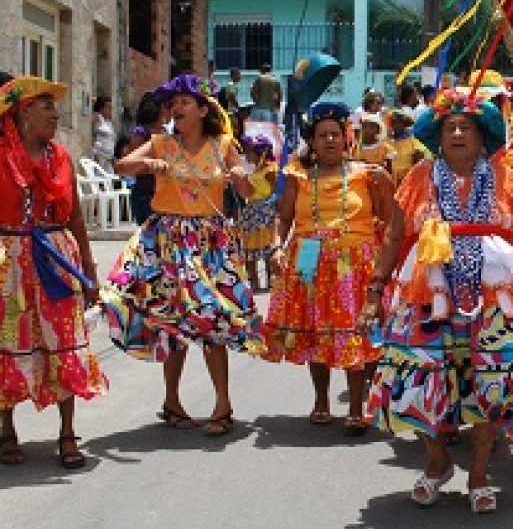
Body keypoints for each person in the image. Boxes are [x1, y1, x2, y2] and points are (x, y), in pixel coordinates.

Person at [358, 88, 513, 514]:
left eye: (466, 126)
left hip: (496, 294)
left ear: (482, 134)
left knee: (494, 378)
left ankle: (478, 471)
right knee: (412, 374)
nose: (456, 132)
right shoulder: (417, 177)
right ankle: (438, 462)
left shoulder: (506, 178)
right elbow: (395, 237)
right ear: (437, 135)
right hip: (427, 291)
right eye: (449, 126)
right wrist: (375, 291)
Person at [105, 74, 264, 437]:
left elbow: (249, 188)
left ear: (203, 109)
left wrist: (240, 175)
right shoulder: (160, 142)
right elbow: (122, 166)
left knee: (213, 320)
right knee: (172, 321)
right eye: (173, 103)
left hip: (210, 242)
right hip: (167, 240)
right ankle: (172, 402)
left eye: (184, 102)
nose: (176, 108)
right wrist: (148, 165)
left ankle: (223, 402)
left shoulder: (223, 144)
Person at [265, 102, 394, 434]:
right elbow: (283, 217)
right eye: (322, 135)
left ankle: (356, 406)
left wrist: (388, 184)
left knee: (356, 334)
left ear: (346, 138)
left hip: (356, 265)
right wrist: (277, 246)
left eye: (335, 134)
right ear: (312, 141)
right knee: (318, 333)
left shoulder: (367, 174)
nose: (330, 141)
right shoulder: (298, 175)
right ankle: (321, 400)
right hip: (311, 264)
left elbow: (388, 217)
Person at [0, 76, 106, 468]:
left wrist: (90, 271)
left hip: (56, 259)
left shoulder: (60, 157)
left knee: (65, 341)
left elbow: (76, 216)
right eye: (46, 106)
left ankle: (67, 433)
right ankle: (7, 430)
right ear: (22, 113)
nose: (55, 113)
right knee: (9, 341)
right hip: (9, 261)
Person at [236, 133, 278, 293]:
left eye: (250, 152)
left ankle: (270, 280)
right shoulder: (255, 170)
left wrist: (273, 207)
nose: (247, 155)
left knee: (267, 247)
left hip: (265, 212)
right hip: (251, 212)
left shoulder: (270, 170)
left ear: (260, 153)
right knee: (249, 250)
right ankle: (254, 283)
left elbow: (276, 191)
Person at [123, 92, 165, 225]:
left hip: (160, 193)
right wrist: (154, 168)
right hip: (145, 193)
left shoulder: (163, 131)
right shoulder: (142, 133)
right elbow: (132, 165)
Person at [91, 96, 116, 172]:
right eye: (107, 107)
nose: (110, 110)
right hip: (99, 157)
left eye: (111, 107)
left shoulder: (109, 123)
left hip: (108, 159)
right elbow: (92, 135)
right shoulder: (98, 118)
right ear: (101, 108)